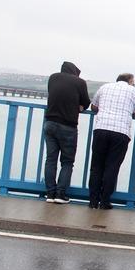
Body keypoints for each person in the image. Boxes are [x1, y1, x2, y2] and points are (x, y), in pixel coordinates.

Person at [87, 73, 135, 209]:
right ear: (129, 81)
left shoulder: (104, 87)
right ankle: (105, 201)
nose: (134, 83)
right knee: (112, 167)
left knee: (96, 167)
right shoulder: (133, 91)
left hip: (101, 129)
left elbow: (93, 107)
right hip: (121, 132)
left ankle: (93, 201)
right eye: (133, 81)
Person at [43, 61, 91, 204]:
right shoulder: (80, 82)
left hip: (50, 123)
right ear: (75, 72)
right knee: (67, 162)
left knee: (51, 160)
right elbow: (86, 103)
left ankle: (50, 194)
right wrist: (79, 106)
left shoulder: (53, 78)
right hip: (68, 126)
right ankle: (60, 194)